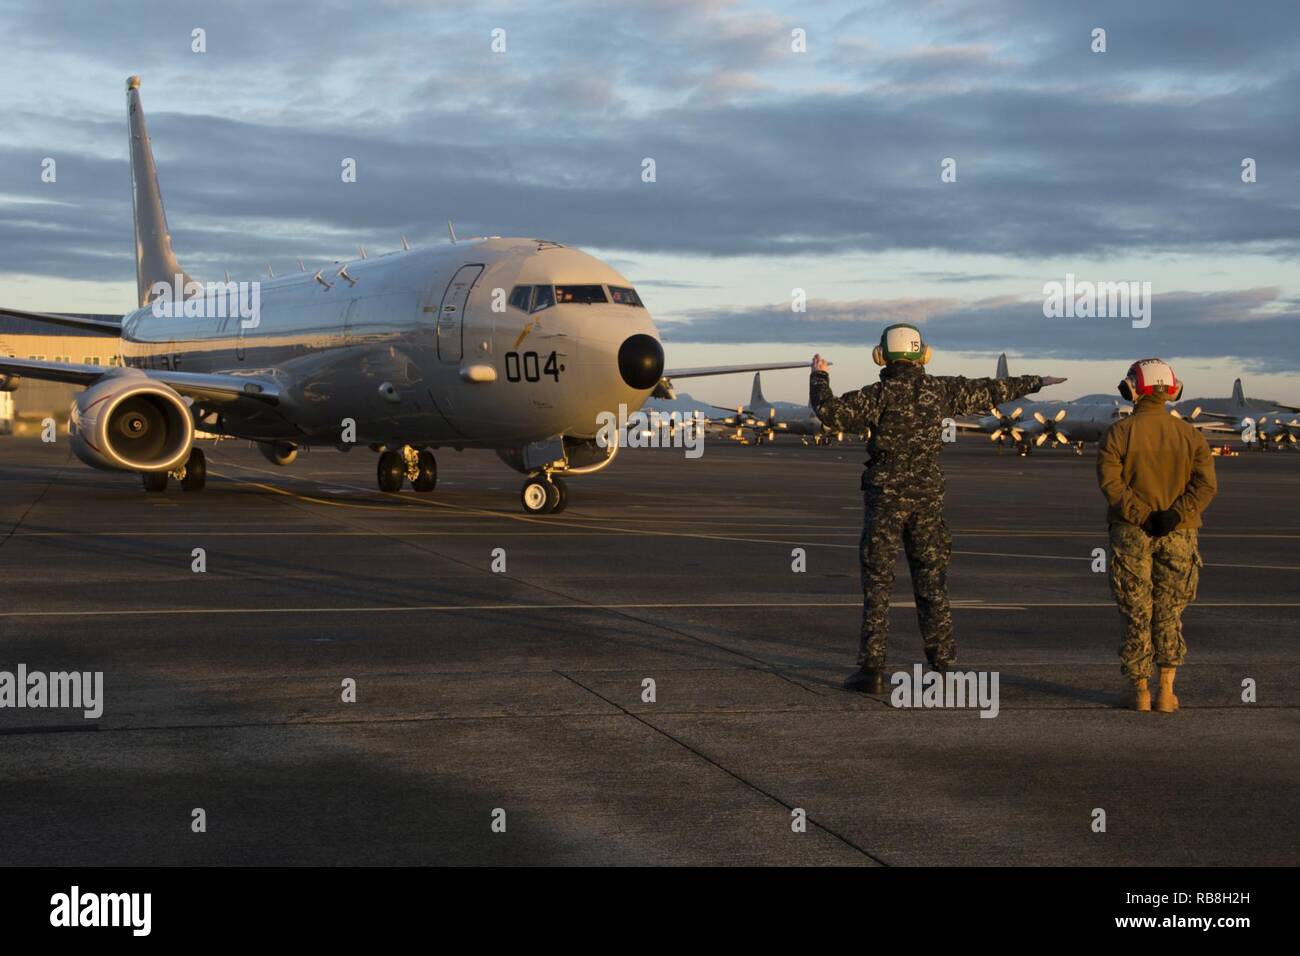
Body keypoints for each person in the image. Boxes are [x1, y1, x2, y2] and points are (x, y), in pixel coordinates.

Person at [811, 324, 1066, 692]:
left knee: (878, 585)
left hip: (885, 498)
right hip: (927, 499)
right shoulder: (942, 390)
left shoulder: (877, 395)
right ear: (924, 355)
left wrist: (819, 376)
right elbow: (992, 389)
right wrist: (1037, 380)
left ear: (880, 356)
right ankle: (943, 667)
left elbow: (831, 413)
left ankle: (872, 670)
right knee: (932, 582)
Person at [1097, 358, 1217, 712]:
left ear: (1133, 389)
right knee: (1170, 610)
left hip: (1131, 532)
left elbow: (1111, 484)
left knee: (1135, 609)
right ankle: (1166, 691)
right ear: (1173, 389)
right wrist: (1176, 514)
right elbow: (1206, 486)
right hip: (1180, 533)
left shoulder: (1119, 433)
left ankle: (1139, 692)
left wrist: (1141, 515)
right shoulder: (1191, 435)